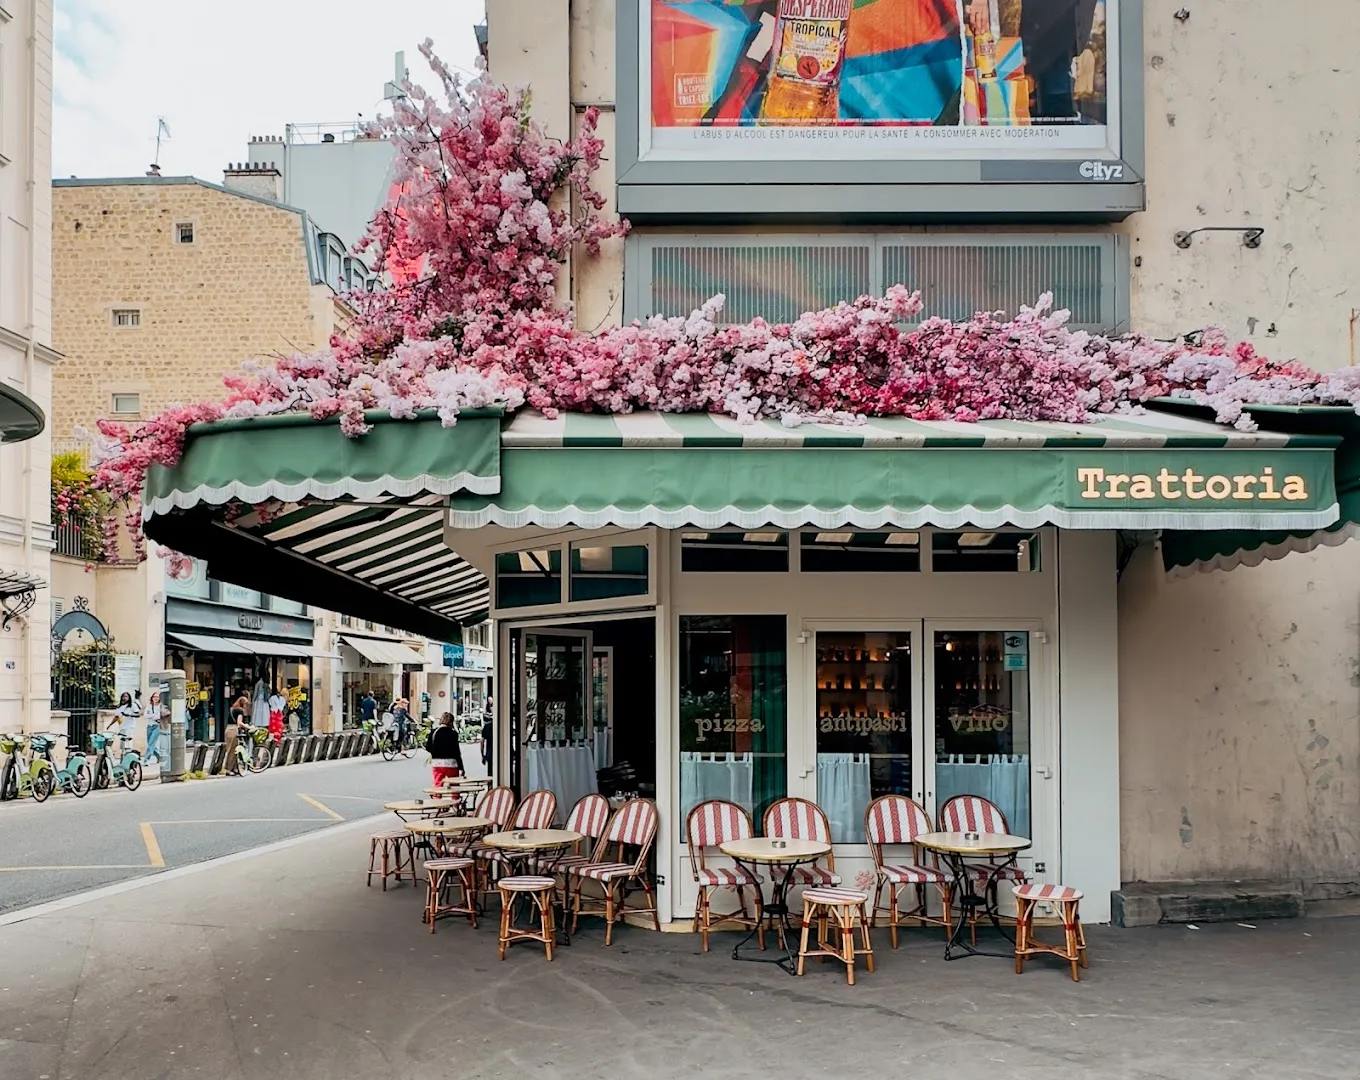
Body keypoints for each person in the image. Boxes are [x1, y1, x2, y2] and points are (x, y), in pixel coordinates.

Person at [425, 712, 464, 787]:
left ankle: (436, 798)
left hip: (437, 763)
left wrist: (435, 752)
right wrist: (461, 767)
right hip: (451, 763)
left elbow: (428, 747)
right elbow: (457, 752)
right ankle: (456, 798)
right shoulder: (453, 733)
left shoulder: (434, 732)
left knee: (438, 785)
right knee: (454, 786)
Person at [225, 695, 249, 776]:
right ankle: (228, 769)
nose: (246, 706)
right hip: (234, 730)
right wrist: (247, 727)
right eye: (246, 704)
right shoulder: (240, 711)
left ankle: (234, 768)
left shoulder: (232, 709)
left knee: (230, 749)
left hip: (228, 729)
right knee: (233, 750)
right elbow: (239, 723)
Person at [143, 691, 165, 766]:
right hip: (150, 725)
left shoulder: (161, 706)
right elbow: (145, 715)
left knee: (151, 743)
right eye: (154, 697)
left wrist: (152, 715)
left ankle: (146, 759)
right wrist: (153, 715)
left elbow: (160, 716)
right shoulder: (149, 706)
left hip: (157, 726)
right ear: (152, 698)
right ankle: (160, 756)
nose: (156, 698)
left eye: (157, 697)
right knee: (150, 743)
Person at [480, 703, 493, 771]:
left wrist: (483, 755)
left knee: (491, 775)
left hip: (490, 754)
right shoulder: (503, 725)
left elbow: (482, 742)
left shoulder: (487, 726)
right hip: (503, 755)